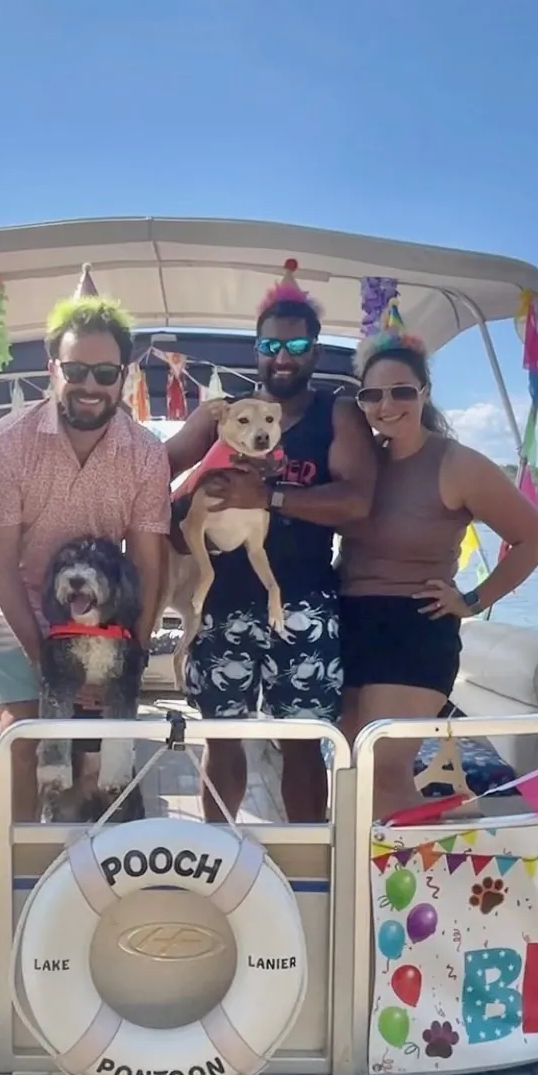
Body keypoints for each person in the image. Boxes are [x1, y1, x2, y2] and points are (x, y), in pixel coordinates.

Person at [165, 261, 377, 823]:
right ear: (255, 350)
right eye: (270, 345)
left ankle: (308, 863)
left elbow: (357, 502)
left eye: (297, 345)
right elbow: (153, 469)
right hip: (220, 601)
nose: (283, 356)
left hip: (303, 600)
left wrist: (269, 496)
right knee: (221, 739)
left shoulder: (338, 413)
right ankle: (218, 853)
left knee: (303, 745)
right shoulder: (224, 414)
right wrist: (178, 519)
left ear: (316, 351)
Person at [338, 327, 538, 820]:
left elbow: (536, 539)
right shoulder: (362, 461)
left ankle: (450, 847)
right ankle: (380, 866)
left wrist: (472, 601)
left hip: (414, 627)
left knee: (382, 771)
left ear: (425, 393)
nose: (386, 405)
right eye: (372, 395)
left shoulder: (458, 465)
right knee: (350, 769)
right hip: (350, 621)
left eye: (401, 392)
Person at [0, 273, 172, 819]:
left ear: (123, 378)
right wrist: (46, 659)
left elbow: (149, 566)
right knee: (21, 737)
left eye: (105, 373)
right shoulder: (7, 443)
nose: (90, 385)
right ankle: (15, 859)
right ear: (52, 369)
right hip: (12, 604)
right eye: (76, 370)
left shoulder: (146, 454)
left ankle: (94, 851)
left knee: (97, 753)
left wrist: (130, 652)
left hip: (102, 611)